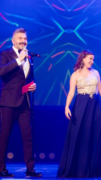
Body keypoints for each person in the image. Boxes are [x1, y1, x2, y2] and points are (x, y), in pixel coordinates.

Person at [57, 50, 101, 178]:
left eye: (93, 59)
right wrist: (66, 106)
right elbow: (71, 92)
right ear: (82, 59)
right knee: (81, 135)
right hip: (81, 106)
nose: (92, 61)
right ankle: (79, 168)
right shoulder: (75, 75)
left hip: (95, 106)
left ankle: (95, 168)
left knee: (96, 135)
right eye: (90, 59)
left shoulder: (96, 73)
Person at [0, 28, 42, 177]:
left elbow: (29, 77)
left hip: (25, 102)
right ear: (13, 40)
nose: (23, 41)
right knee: (4, 136)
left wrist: (33, 85)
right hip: (9, 102)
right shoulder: (5, 54)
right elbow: (1, 71)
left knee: (28, 136)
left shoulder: (29, 57)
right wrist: (18, 60)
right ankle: (1, 168)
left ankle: (30, 169)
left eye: (25, 39)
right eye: (20, 38)